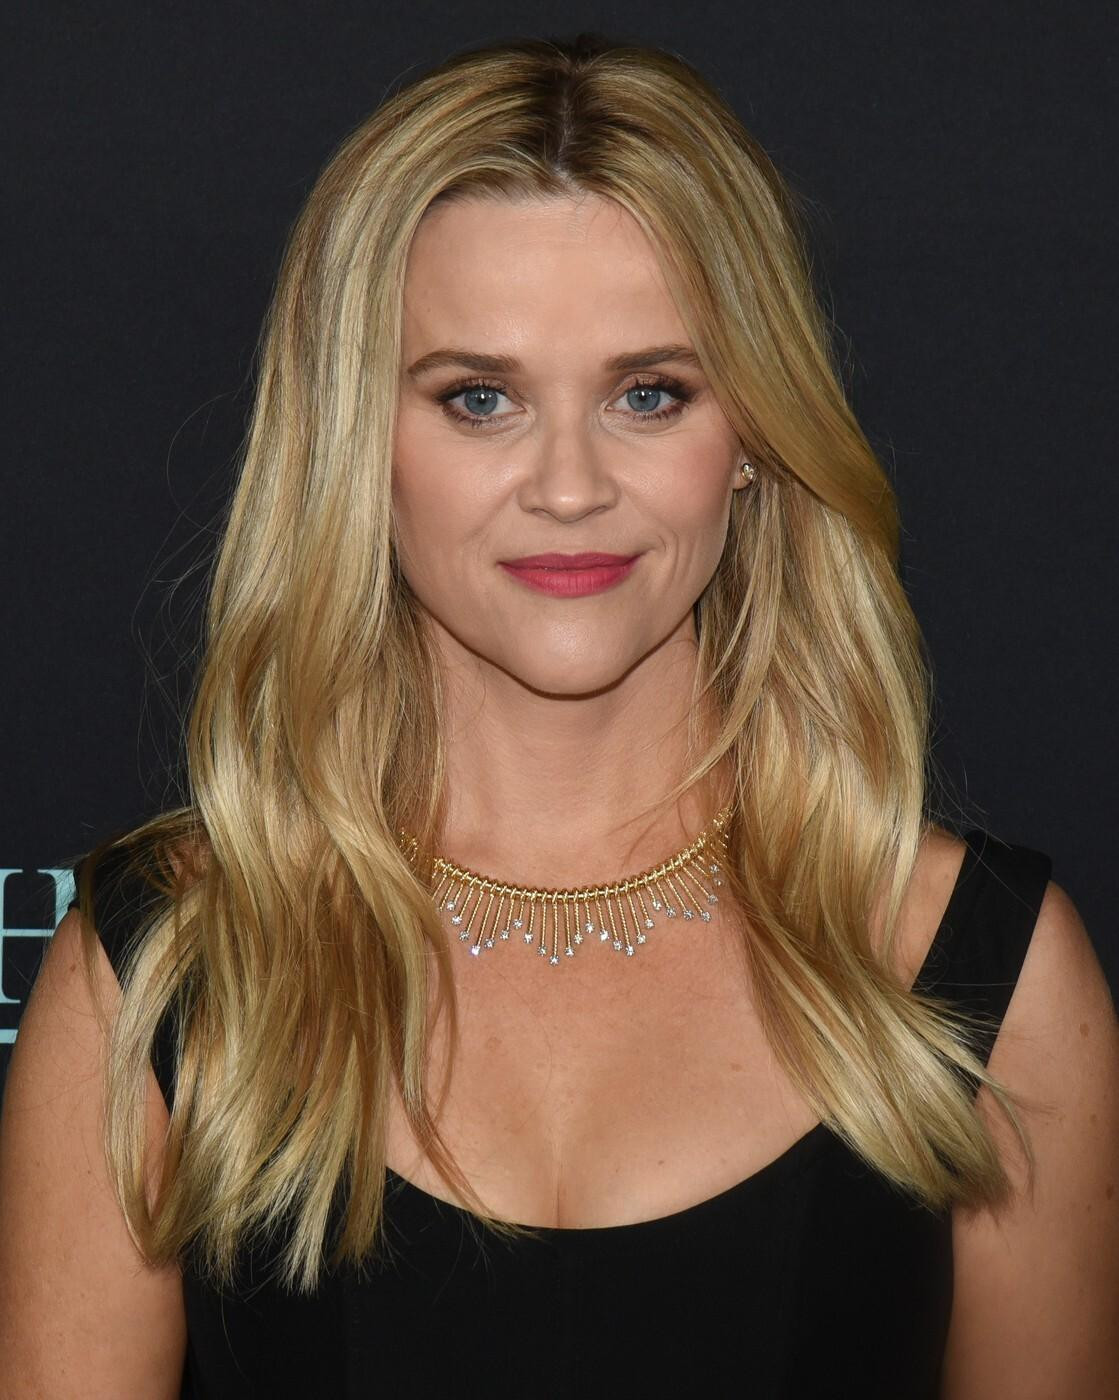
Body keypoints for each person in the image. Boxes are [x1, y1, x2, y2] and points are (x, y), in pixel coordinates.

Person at [1, 31, 1116, 1400]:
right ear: (358, 439)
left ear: (752, 437)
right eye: (480, 399)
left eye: (651, 394)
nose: (571, 485)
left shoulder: (978, 974)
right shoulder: (164, 973)